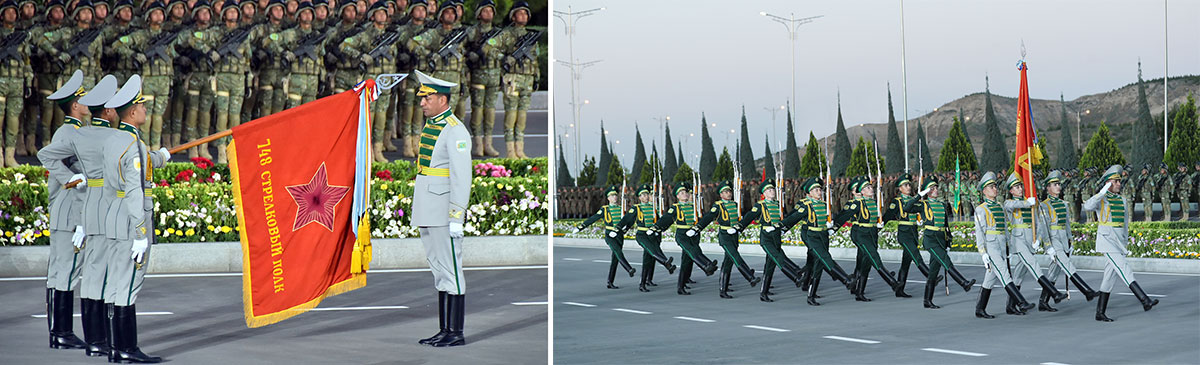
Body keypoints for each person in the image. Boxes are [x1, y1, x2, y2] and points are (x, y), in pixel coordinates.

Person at [101, 74, 170, 363]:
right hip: (131, 220)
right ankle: (127, 349)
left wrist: (161, 157)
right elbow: (133, 190)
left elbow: (138, 164)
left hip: (114, 218)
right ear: (132, 112)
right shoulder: (132, 146)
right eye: (141, 105)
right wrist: (141, 233)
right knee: (129, 284)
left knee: (117, 282)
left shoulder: (118, 140)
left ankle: (116, 348)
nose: (145, 109)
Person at [410, 70, 471, 347]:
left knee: (452, 271)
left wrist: (457, 215)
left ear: (443, 99)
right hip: (429, 206)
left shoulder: (455, 130)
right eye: (421, 98)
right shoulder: (434, 125)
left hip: (444, 210)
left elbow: (462, 176)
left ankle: (455, 332)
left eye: (427, 98)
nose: (421, 103)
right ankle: (444, 329)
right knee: (439, 269)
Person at [36, 69, 89, 352]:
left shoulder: (76, 131)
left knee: (63, 272)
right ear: (75, 105)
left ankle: (60, 332)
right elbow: (46, 157)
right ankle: (61, 332)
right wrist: (69, 177)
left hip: (69, 212)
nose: (87, 102)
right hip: (69, 213)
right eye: (83, 99)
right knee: (65, 273)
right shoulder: (68, 132)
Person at [1082, 165, 1160, 321]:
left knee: (1109, 278)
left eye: (1119, 181)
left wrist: (1124, 241)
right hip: (1106, 240)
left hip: (1118, 240)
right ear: (1107, 183)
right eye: (1115, 181)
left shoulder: (1122, 200)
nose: (1119, 184)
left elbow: (1124, 223)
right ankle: (1144, 300)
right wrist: (1102, 191)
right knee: (1124, 269)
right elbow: (1087, 206)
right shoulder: (1101, 198)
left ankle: (1100, 312)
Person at [904, 176, 977, 309]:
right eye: (933, 188)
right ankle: (963, 282)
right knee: (945, 260)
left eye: (936, 187)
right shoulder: (923, 204)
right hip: (930, 239)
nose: (936, 190)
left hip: (940, 238)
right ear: (928, 191)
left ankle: (927, 300)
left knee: (933, 271)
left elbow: (946, 225)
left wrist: (948, 242)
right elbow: (907, 208)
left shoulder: (942, 205)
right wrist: (920, 194)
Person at [1001, 173, 1069, 314]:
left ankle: (1010, 306)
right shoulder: (1009, 203)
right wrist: (1027, 203)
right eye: (1016, 187)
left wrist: (1038, 239)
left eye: (1021, 186)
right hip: (1018, 240)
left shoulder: (1031, 203)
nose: (1020, 189)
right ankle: (1054, 293)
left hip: (1029, 241)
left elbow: (1038, 224)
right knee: (1034, 265)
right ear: (1011, 191)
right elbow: (1013, 205)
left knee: (1019, 274)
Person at [781, 177, 855, 306]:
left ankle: (811, 294)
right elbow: (793, 217)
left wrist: (832, 224)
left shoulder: (823, 204)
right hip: (812, 236)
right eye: (816, 190)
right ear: (809, 193)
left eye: (820, 190)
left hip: (823, 235)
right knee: (825, 258)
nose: (819, 192)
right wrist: (780, 227)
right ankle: (846, 280)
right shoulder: (806, 205)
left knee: (818, 265)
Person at [972, 172, 1035, 318]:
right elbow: (979, 233)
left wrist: (1008, 245)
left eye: (995, 186)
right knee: (1004, 274)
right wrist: (983, 253)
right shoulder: (981, 209)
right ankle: (1021, 302)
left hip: (1001, 245)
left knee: (991, 278)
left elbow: (1005, 228)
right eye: (991, 187)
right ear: (984, 191)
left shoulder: (999, 206)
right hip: (991, 245)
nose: (995, 189)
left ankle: (980, 309)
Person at [1035, 170, 1100, 313]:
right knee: (1068, 266)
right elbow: (1043, 228)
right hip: (1053, 241)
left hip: (1063, 240)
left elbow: (1067, 225)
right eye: (1055, 184)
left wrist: (1070, 241)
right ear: (1048, 188)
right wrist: (1048, 246)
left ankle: (1042, 302)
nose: (1058, 187)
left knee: (1053, 273)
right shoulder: (1044, 206)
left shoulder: (1064, 204)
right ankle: (1086, 291)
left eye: (1059, 184)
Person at [833, 177, 902, 301]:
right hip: (861, 233)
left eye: (871, 187)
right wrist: (834, 226)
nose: (871, 189)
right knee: (874, 257)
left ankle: (859, 292)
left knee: (865, 263)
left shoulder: (873, 202)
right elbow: (844, 215)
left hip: (872, 233)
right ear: (861, 192)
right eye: (868, 188)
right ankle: (892, 282)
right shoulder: (857, 203)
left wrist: (880, 223)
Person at [738, 179, 805, 302]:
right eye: (769, 190)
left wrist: (784, 228)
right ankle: (795, 278)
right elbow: (749, 217)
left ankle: (764, 292)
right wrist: (739, 227)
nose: (772, 191)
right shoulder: (760, 205)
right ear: (764, 193)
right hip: (767, 238)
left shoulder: (776, 204)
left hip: (776, 237)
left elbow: (783, 219)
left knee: (770, 266)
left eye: (773, 189)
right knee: (779, 258)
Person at [692, 180, 760, 298]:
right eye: (725, 192)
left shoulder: (734, 204)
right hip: (725, 236)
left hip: (734, 235)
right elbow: (708, 217)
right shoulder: (718, 206)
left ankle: (723, 288)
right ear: (721, 194)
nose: (728, 193)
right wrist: (697, 228)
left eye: (729, 191)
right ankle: (750, 276)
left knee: (728, 263)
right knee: (735, 256)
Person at [653, 182, 718, 295]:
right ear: (677, 196)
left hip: (692, 234)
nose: (685, 195)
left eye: (686, 193)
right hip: (682, 235)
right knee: (692, 252)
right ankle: (705, 266)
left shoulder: (693, 207)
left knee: (687, 261)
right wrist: (657, 227)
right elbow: (666, 219)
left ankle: (682, 284)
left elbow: (701, 218)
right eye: (682, 193)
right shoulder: (675, 208)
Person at [574, 186, 636, 289]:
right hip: (610, 235)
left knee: (615, 259)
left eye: (615, 195)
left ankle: (610, 281)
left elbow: (629, 220)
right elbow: (594, 218)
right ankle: (629, 269)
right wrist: (581, 227)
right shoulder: (605, 209)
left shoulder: (622, 209)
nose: (614, 197)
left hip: (619, 235)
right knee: (618, 252)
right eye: (612, 196)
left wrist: (626, 228)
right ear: (608, 198)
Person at [882, 173, 929, 297]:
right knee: (916, 255)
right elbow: (888, 215)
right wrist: (879, 226)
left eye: (909, 184)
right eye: (905, 185)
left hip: (913, 232)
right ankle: (929, 275)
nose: (908, 187)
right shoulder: (897, 201)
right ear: (900, 188)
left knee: (906, 263)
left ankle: (899, 289)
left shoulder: (914, 200)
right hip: (904, 233)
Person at [624, 184, 676, 292]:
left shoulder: (654, 208)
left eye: (647, 194)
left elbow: (661, 221)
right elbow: (628, 220)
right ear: (639, 198)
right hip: (642, 235)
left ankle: (646, 281)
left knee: (648, 259)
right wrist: (621, 229)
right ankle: (666, 263)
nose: (646, 197)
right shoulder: (636, 208)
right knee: (653, 252)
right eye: (643, 195)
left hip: (653, 235)